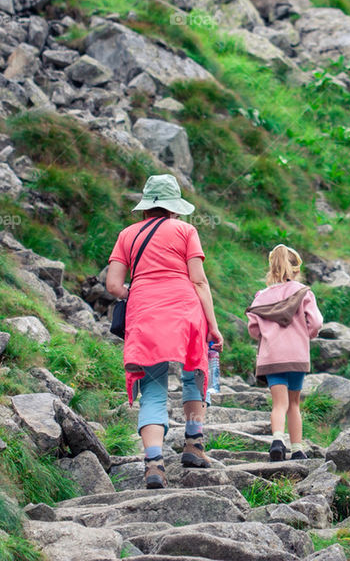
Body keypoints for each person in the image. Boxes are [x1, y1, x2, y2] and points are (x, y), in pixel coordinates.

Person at [105, 174, 223, 489]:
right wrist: (212, 325)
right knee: (194, 375)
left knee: (153, 389)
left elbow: (114, 285)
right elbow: (199, 281)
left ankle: (154, 464)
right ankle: (194, 445)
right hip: (185, 312)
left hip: (144, 316)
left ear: (146, 206)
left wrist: (142, 289)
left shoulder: (127, 235)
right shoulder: (186, 230)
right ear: (173, 207)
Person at [246, 244, 323, 461]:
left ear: (271, 269)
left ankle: (277, 441)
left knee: (279, 403)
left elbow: (253, 329)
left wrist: (266, 335)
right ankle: (298, 449)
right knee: (294, 403)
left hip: (272, 356)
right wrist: (305, 334)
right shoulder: (303, 292)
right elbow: (316, 322)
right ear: (296, 269)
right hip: (297, 355)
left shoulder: (261, 296)